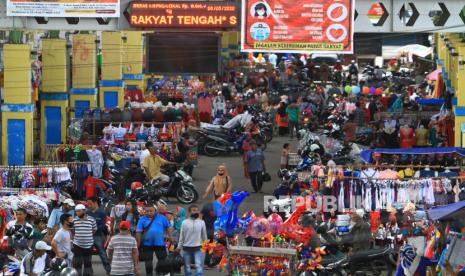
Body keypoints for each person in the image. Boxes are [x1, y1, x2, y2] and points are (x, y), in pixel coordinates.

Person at [136, 204, 173, 276]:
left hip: (159, 243)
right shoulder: (142, 219)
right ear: (144, 211)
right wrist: (138, 243)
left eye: (151, 211)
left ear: (155, 211)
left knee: (162, 260)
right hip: (147, 244)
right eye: (147, 211)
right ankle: (149, 274)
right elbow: (138, 232)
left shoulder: (162, 218)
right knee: (148, 261)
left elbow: (168, 227)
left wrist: (170, 237)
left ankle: (162, 273)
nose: (149, 212)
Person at [176, 205, 207, 276]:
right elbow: (182, 236)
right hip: (186, 248)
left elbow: (204, 235)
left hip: (199, 248)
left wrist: (206, 245)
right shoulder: (184, 222)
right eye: (193, 210)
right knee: (187, 267)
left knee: (199, 266)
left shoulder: (202, 222)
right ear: (190, 212)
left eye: (197, 210)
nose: (196, 211)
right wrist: (178, 247)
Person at [87, 196, 111, 274]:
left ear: (95, 203)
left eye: (90, 204)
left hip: (98, 236)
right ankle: (89, 272)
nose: (89, 205)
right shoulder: (87, 213)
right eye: (88, 204)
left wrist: (93, 230)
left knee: (102, 254)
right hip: (88, 236)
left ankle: (109, 271)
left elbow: (102, 226)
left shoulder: (102, 213)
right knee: (88, 256)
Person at [73, 204, 97, 276]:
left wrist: (87, 235)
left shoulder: (91, 219)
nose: (77, 213)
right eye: (76, 211)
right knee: (77, 264)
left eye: (79, 211)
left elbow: (94, 229)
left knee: (87, 264)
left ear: (84, 211)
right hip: (77, 245)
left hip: (89, 245)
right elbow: (73, 230)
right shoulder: (74, 220)